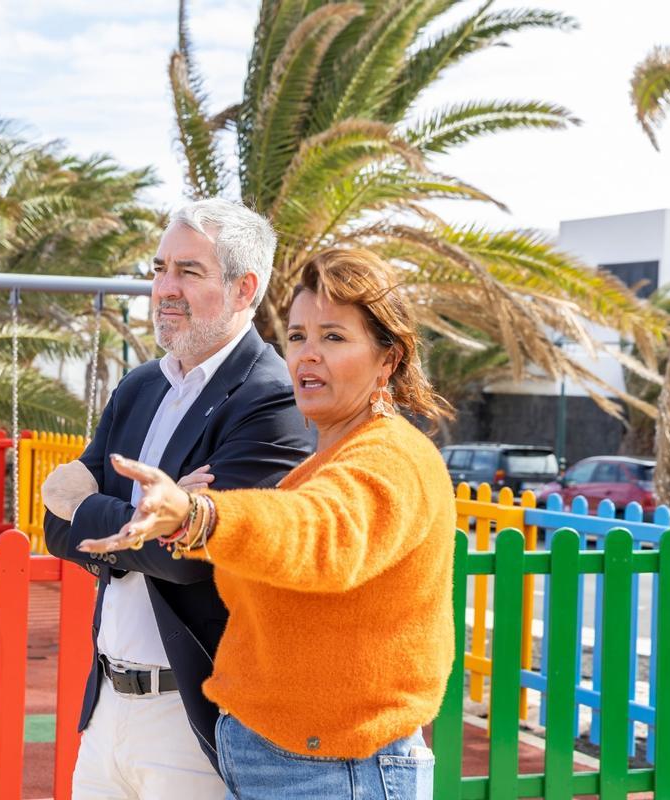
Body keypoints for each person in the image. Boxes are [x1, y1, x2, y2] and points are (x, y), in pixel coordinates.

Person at [79, 247, 456, 800]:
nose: (307, 356)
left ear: (389, 360)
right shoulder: (323, 461)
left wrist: (197, 516)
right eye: (299, 336)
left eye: (334, 337)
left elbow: (318, 533)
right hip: (296, 764)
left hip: (334, 772)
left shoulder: (390, 457)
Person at [41, 198, 313, 798]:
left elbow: (189, 555)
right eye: (160, 267)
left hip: (193, 718)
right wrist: (148, 523)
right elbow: (54, 527)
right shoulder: (141, 386)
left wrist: (99, 512)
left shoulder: (271, 400)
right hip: (107, 705)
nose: (164, 287)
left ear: (245, 288)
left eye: (188, 272)